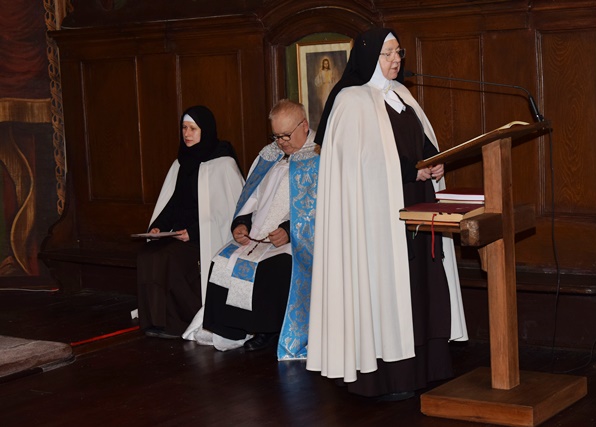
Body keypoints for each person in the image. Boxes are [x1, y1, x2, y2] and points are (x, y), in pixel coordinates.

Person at [307, 28, 468, 400]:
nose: (396, 60)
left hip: (416, 207)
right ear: (369, 57)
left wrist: (434, 162)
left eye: (399, 52)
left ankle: (426, 368)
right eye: (388, 53)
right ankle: (389, 378)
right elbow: (358, 165)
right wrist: (411, 171)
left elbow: (422, 143)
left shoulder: (402, 95)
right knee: (386, 288)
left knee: (421, 285)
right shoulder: (350, 101)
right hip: (376, 218)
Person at [183, 99, 320, 360]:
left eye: (286, 135)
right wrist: (242, 223)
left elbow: (320, 207)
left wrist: (288, 230)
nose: (281, 142)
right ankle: (231, 329)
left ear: (304, 125)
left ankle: (267, 330)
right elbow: (252, 195)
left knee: (273, 268)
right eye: (276, 136)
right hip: (259, 233)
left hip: (300, 239)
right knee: (222, 260)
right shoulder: (269, 155)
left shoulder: (319, 157)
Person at [136, 105, 244, 339]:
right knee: (147, 254)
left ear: (205, 130)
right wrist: (158, 227)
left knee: (168, 258)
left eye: (193, 129)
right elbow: (173, 203)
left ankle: (176, 322)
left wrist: (193, 233)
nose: (187, 134)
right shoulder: (181, 163)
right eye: (184, 128)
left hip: (205, 238)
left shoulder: (223, 163)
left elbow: (227, 212)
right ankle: (153, 321)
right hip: (179, 235)